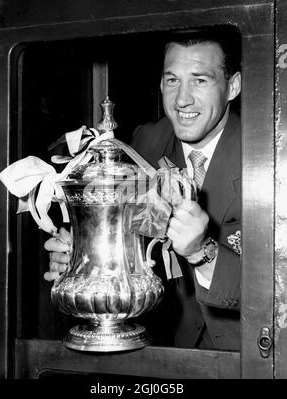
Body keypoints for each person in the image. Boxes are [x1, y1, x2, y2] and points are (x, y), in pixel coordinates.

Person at [44, 27, 242, 351]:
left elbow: (278, 288)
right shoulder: (146, 143)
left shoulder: (270, 153)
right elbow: (124, 240)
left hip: (252, 355)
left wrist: (202, 252)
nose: (182, 99)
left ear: (233, 85)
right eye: (172, 80)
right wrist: (84, 252)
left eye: (200, 80)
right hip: (165, 351)